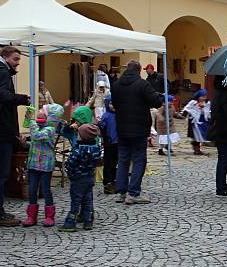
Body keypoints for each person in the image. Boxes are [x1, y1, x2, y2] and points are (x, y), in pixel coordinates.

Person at [0, 46, 30, 227]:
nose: (17, 64)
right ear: (5, 57)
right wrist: (21, 99)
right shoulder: (1, 71)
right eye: (16, 59)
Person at [111, 60, 164, 205]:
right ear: (139, 70)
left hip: (121, 127)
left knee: (123, 160)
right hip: (139, 129)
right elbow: (155, 102)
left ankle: (121, 192)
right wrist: (160, 96)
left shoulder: (116, 85)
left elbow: (114, 104)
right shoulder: (143, 84)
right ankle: (133, 193)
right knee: (139, 159)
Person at [22, 104, 64, 227]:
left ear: (50, 117)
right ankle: (31, 215)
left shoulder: (50, 129)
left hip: (45, 165)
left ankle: (49, 216)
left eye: (42, 111)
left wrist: (30, 120)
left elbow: (37, 136)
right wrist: (26, 144)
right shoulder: (38, 127)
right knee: (32, 189)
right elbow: (36, 142)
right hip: (34, 164)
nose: (39, 112)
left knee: (45, 190)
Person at [58, 123, 102, 231]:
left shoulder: (78, 150)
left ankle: (70, 222)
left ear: (83, 136)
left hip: (78, 179)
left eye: (79, 134)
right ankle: (88, 221)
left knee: (76, 201)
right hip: (90, 178)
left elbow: (70, 163)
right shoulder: (96, 149)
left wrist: (70, 173)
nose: (77, 135)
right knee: (88, 200)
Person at [209, 76, 227, 196]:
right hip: (226, 131)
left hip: (218, 130)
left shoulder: (216, 94)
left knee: (222, 159)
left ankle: (221, 186)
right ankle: (221, 187)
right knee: (223, 160)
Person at [98, 95, 119, 195]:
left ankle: (114, 181)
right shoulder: (106, 116)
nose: (113, 105)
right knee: (108, 163)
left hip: (118, 143)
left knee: (116, 163)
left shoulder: (119, 114)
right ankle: (107, 183)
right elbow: (102, 128)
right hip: (109, 143)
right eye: (111, 103)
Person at [183, 89, 211, 155]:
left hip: (203, 121)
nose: (204, 98)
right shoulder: (193, 102)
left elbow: (209, 111)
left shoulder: (207, 103)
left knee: (202, 135)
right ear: (198, 96)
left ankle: (196, 146)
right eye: (202, 96)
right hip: (195, 121)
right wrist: (184, 114)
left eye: (205, 96)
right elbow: (187, 108)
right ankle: (196, 149)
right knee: (196, 135)